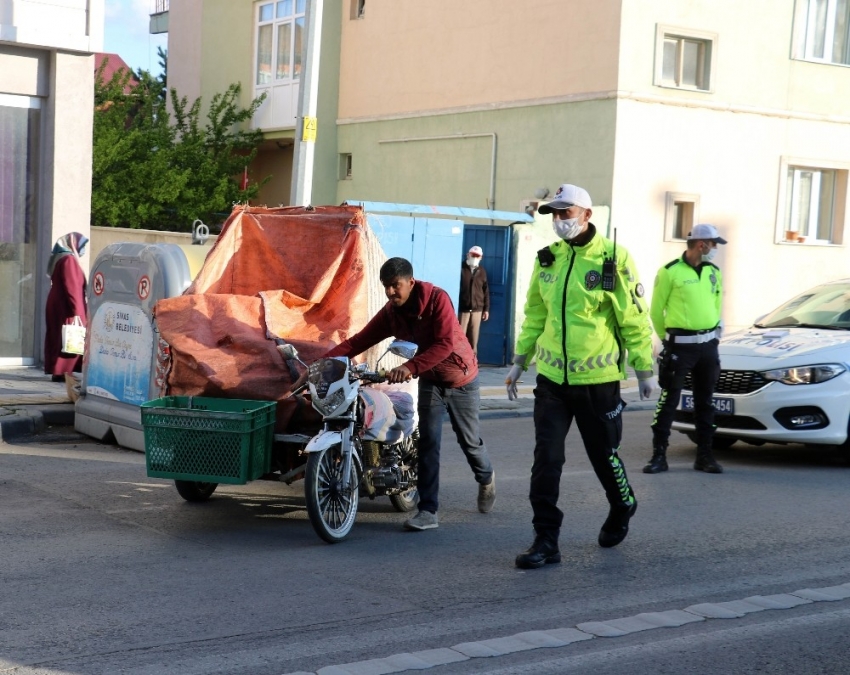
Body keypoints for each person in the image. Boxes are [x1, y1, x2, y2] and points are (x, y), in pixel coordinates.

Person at [505, 184, 656, 570]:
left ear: (587, 214)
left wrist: (643, 371)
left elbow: (633, 319)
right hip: (552, 381)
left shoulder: (613, 259)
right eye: (554, 214)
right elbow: (535, 314)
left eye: (565, 213)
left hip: (598, 383)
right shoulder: (548, 260)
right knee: (547, 460)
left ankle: (623, 504)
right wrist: (520, 360)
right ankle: (546, 539)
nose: (559, 221)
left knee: (604, 456)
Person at [325, 257, 495, 531]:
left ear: (410, 282)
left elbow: (445, 344)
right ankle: (428, 511)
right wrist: (323, 362)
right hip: (430, 380)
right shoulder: (392, 313)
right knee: (428, 443)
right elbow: (359, 341)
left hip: (461, 378)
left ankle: (486, 478)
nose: (391, 292)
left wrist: (409, 366)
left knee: (470, 442)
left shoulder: (438, 300)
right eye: (386, 287)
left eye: (395, 286)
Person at [644, 223, 727, 475]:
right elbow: (656, 311)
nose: (715, 249)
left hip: (708, 348)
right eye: (714, 244)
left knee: (706, 403)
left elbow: (716, 302)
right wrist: (666, 341)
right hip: (680, 346)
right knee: (668, 401)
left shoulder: (714, 271)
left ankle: (705, 456)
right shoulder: (670, 272)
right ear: (701, 245)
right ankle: (659, 455)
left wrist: (715, 334)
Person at [44, 232, 89, 386]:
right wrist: (77, 311)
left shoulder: (61, 258)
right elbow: (73, 287)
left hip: (58, 304)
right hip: (66, 306)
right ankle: (63, 371)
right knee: (70, 338)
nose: (83, 249)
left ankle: (59, 371)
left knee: (59, 337)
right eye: (82, 246)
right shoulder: (69, 260)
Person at [458, 246, 489, 355]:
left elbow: (485, 291)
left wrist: (486, 309)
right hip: (463, 310)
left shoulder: (482, 271)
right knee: (459, 338)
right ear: (468, 255)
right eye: (473, 255)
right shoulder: (460, 268)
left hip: (477, 310)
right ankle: (459, 361)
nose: (475, 257)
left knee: (473, 339)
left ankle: (472, 362)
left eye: (477, 256)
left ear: (481, 257)